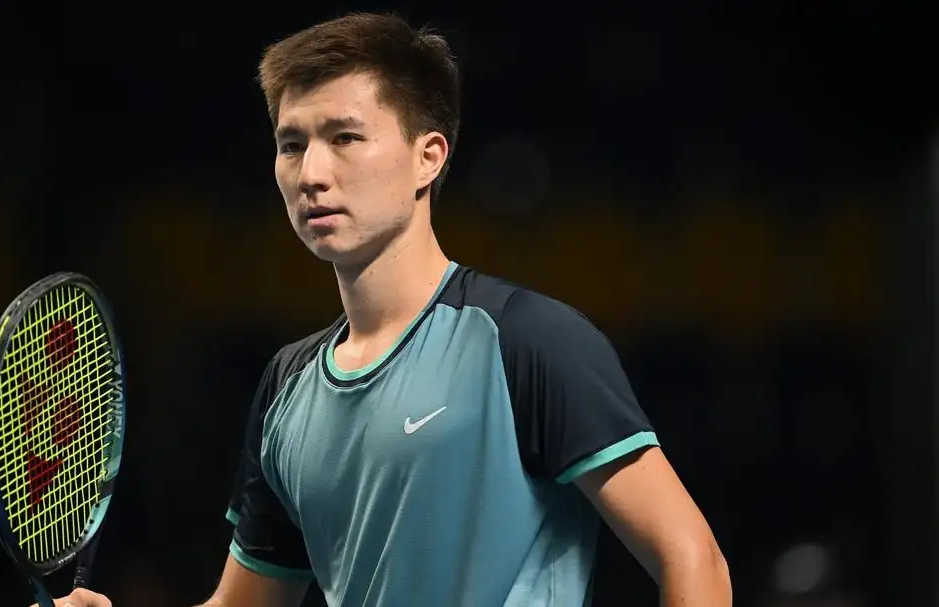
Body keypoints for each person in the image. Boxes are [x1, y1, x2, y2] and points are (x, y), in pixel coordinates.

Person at [46, 11, 731, 607]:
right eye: (291, 144)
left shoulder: (527, 341)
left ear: (428, 157)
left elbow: (692, 558)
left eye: (345, 137)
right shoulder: (287, 387)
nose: (312, 173)